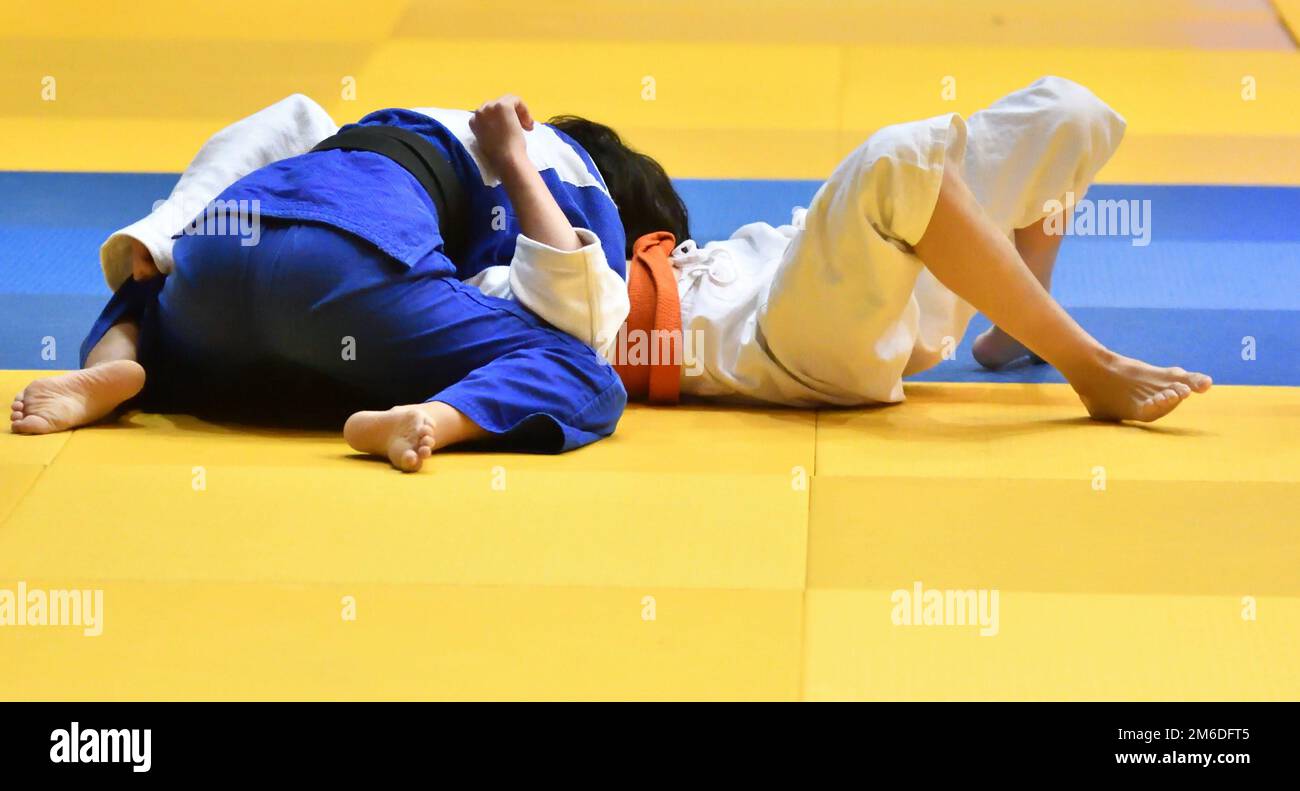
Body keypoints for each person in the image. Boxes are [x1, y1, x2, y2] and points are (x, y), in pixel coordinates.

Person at [9, 94, 676, 471]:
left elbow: (252, 139)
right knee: (582, 368)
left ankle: (114, 367)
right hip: (347, 272)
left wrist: (164, 232)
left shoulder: (386, 123)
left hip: (216, 264)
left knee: (150, 283)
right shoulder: (569, 171)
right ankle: (431, 422)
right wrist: (517, 162)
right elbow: (579, 311)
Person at [612, 77, 1212, 420]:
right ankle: (1091, 367)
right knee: (896, 160)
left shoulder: (698, 254)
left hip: (874, 297)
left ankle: (1024, 317)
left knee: (1067, 112)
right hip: (789, 348)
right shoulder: (588, 303)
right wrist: (512, 156)